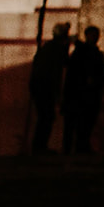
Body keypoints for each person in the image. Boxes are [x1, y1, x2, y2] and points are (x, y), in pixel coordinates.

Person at [62, 25, 104, 154]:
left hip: (83, 95)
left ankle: (77, 148)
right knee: (79, 124)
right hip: (81, 95)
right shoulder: (87, 52)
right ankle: (78, 148)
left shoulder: (86, 52)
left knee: (81, 124)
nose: (95, 38)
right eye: (93, 35)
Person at [29, 22, 72, 153]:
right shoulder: (55, 48)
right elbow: (62, 65)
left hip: (40, 87)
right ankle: (39, 146)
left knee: (45, 117)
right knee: (46, 117)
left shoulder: (48, 47)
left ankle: (39, 146)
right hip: (45, 88)